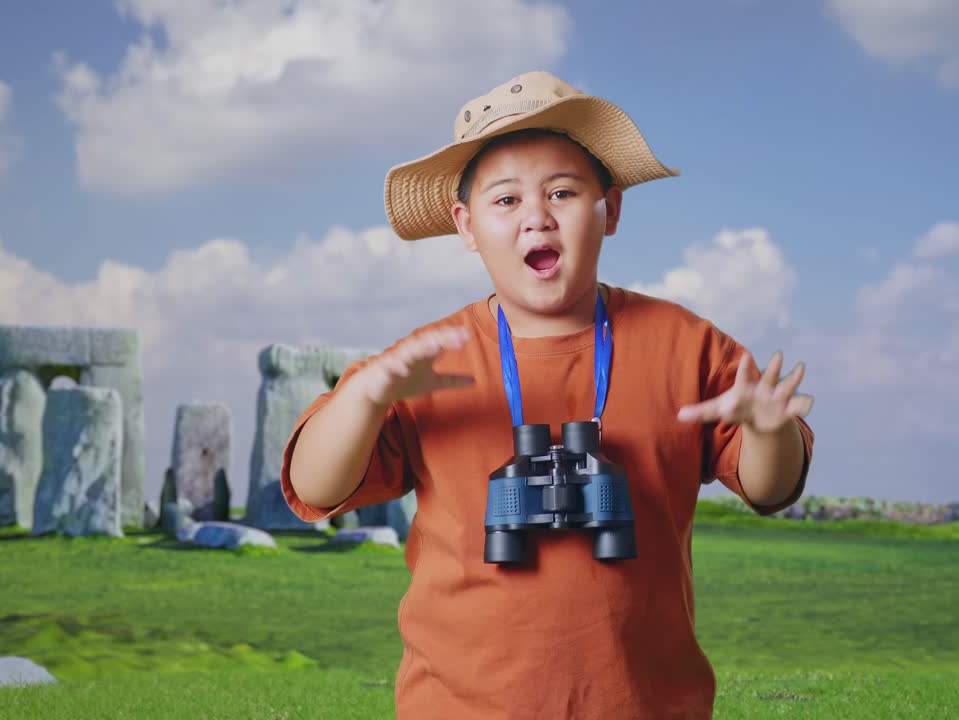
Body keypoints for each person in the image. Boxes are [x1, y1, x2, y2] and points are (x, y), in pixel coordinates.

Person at [282, 70, 815, 719]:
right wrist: (362, 399)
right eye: (505, 201)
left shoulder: (686, 344)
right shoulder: (422, 362)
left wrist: (766, 430)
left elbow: (770, 489)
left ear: (609, 209)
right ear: (466, 225)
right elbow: (314, 486)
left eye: (563, 192)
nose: (536, 215)